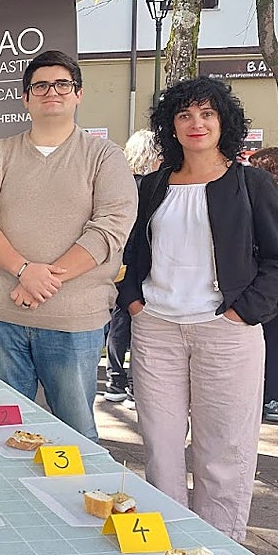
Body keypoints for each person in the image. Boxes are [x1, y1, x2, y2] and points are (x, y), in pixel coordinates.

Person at [118, 77, 278, 540]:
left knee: (223, 450)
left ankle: (216, 550)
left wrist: (243, 312)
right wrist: (133, 302)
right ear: (170, 126)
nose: (197, 124)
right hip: (155, 328)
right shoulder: (152, 186)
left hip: (225, 330)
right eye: (185, 115)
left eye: (207, 114)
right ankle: (169, 544)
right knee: (161, 447)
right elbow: (131, 253)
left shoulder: (251, 183)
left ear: (223, 123)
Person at [0, 50, 136, 441]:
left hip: (73, 320)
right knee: (1, 428)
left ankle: (81, 501)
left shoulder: (104, 157)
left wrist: (43, 279)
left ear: (78, 94)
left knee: (74, 431)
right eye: (40, 85)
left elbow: (110, 227)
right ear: (26, 98)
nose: (51, 92)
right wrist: (24, 270)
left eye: (62, 84)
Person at [103, 129, 162, 404]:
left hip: (117, 261)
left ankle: (115, 380)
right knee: (141, 326)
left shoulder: (118, 183)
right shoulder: (155, 187)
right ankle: (135, 388)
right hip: (144, 263)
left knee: (118, 322)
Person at [248, 146, 278, 424]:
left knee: (262, 343)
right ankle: (273, 398)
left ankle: (268, 399)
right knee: (277, 344)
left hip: (264, 285)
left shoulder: (274, 205)